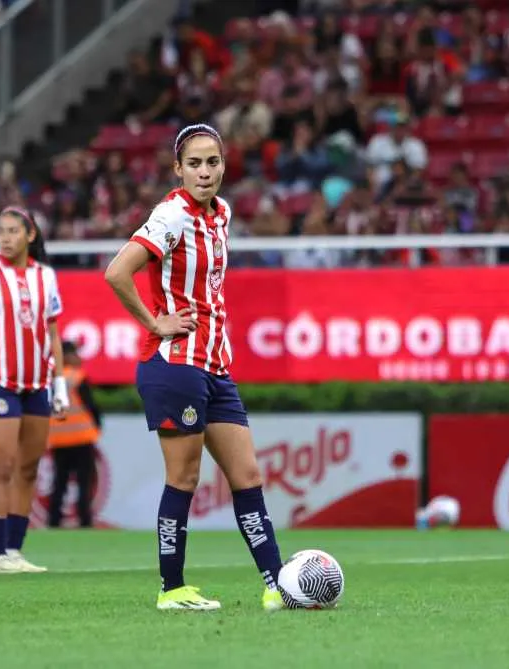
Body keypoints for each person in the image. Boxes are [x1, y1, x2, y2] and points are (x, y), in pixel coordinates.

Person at [104, 123, 285, 611]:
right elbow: (117, 272)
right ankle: (172, 588)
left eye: (214, 162)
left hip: (216, 365)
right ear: (178, 169)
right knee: (183, 478)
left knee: (246, 474)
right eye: (196, 164)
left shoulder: (221, 214)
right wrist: (154, 322)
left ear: (225, 165)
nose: (206, 173)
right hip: (175, 364)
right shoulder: (171, 215)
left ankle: (278, 586)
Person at [0, 206, 69, 574]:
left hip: (37, 382)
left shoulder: (45, 276)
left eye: (12, 231)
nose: (5, 238)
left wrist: (60, 385)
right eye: (1, 231)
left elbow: (53, 332)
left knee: (28, 468)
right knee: (3, 465)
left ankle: (15, 550)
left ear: (30, 235)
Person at [47, 340, 102, 529]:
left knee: (59, 482)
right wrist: (98, 426)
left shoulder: (52, 379)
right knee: (83, 482)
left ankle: (54, 521)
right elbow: (91, 406)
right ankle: (85, 521)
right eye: (75, 353)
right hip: (81, 438)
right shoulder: (78, 377)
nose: (78, 357)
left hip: (58, 439)